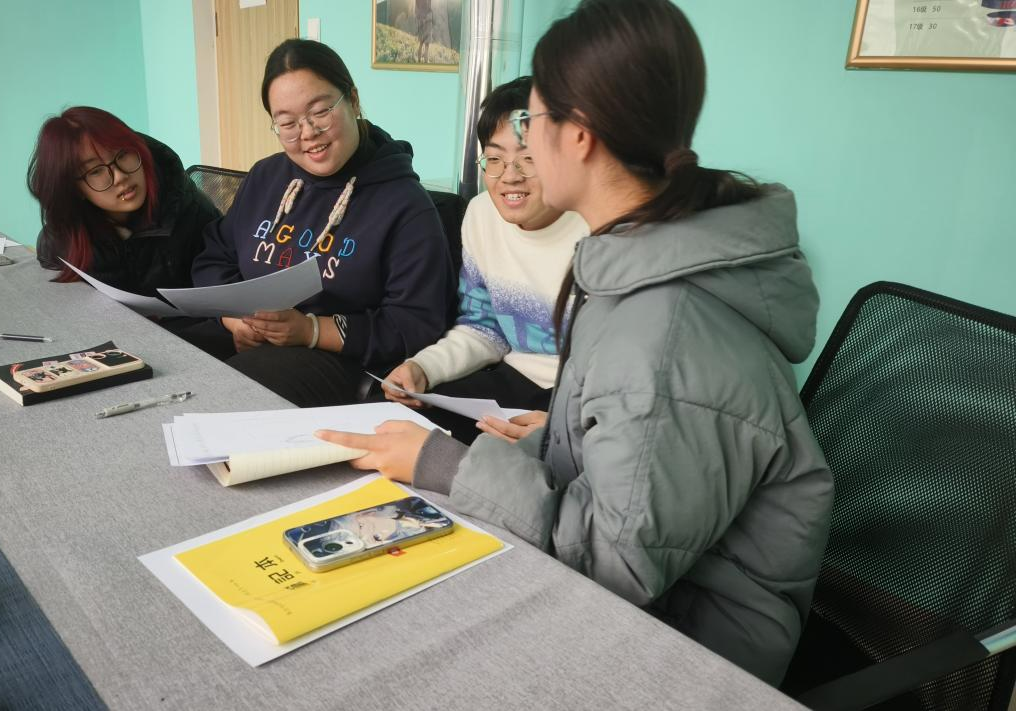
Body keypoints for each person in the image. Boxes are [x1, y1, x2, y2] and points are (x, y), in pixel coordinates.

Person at [317, 0, 833, 685]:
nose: (517, 156)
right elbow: (638, 461)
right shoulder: (638, 260)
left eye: (532, 122)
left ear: (579, 135)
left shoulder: (665, 330)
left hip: (693, 648)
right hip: (648, 591)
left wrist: (444, 464)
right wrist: (561, 438)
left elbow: (614, 566)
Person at [184, 39, 455, 407]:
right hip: (255, 343)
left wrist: (310, 331)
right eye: (287, 123)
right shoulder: (266, 177)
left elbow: (415, 325)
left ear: (353, 100)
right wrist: (238, 321)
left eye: (320, 111)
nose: (308, 132)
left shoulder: (405, 205)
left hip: (343, 362)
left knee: (225, 396)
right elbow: (214, 257)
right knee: (165, 363)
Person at [382, 76, 586, 445]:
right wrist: (423, 368)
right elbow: (484, 326)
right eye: (494, 159)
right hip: (515, 379)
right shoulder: (481, 215)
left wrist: (568, 428)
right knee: (403, 424)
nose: (510, 177)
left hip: (584, 397)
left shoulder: (597, 227)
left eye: (529, 159)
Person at [28, 106, 219, 295]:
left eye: (123, 154)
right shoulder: (64, 235)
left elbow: (222, 283)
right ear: (73, 188)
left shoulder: (192, 212)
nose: (120, 176)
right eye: (96, 171)